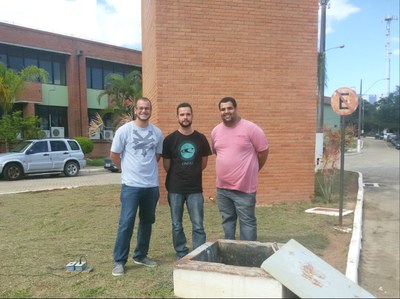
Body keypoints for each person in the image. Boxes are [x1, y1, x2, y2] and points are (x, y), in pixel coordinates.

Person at [110, 97, 163, 276]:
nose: (144, 111)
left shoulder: (157, 133)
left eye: (147, 108)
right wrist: (125, 171)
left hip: (151, 186)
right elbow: (114, 155)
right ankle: (119, 261)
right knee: (126, 223)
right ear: (135, 110)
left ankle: (141, 255)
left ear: (150, 110)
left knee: (147, 222)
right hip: (131, 186)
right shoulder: (125, 130)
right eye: (141, 108)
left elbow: (157, 157)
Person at [211, 97, 269, 241]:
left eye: (229, 108)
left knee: (247, 223)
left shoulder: (251, 129)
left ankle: (247, 257)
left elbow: (263, 152)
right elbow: (218, 152)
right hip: (223, 189)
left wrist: (253, 170)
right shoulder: (216, 131)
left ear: (236, 109)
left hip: (244, 189)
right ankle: (230, 251)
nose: (226, 112)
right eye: (223, 109)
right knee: (228, 222)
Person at [162, 102, 212, 259]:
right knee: (176, 224)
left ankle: (198, 254)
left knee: (198, 225)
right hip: (175, 188)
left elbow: (203, 163)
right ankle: (181, 252)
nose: (185, 117)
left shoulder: (201, 139)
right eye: (182, 114)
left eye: (188, 114)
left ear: (192, 116)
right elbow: (167, 165)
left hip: (195, 189)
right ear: (177, 117)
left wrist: (191, 172)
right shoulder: (169, 140)